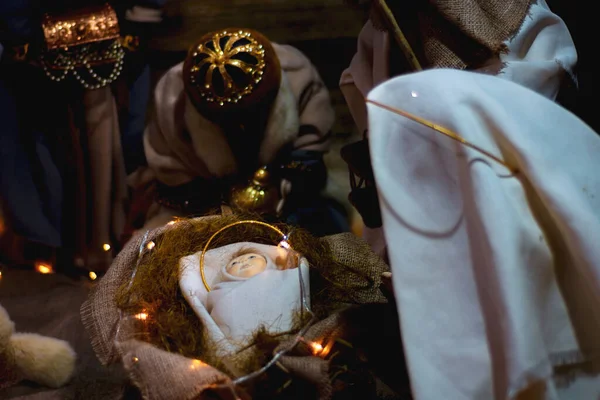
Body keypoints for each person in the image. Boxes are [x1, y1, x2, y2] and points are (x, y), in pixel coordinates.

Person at [339, 0, 577, 260]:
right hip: (427, 207)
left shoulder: (510, 12)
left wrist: (465, 111)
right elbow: (361, 82)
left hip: (508, 189)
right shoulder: (384, 25)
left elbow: (545, 73)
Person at [127, 27, 348, 239]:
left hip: (287, 200)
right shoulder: (172, 102)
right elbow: (174, 180)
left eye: (250, 115)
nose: (241, 125)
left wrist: (275, 188)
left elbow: (308, 163)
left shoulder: (298, 77)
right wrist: (221, 205)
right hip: (203, 209)